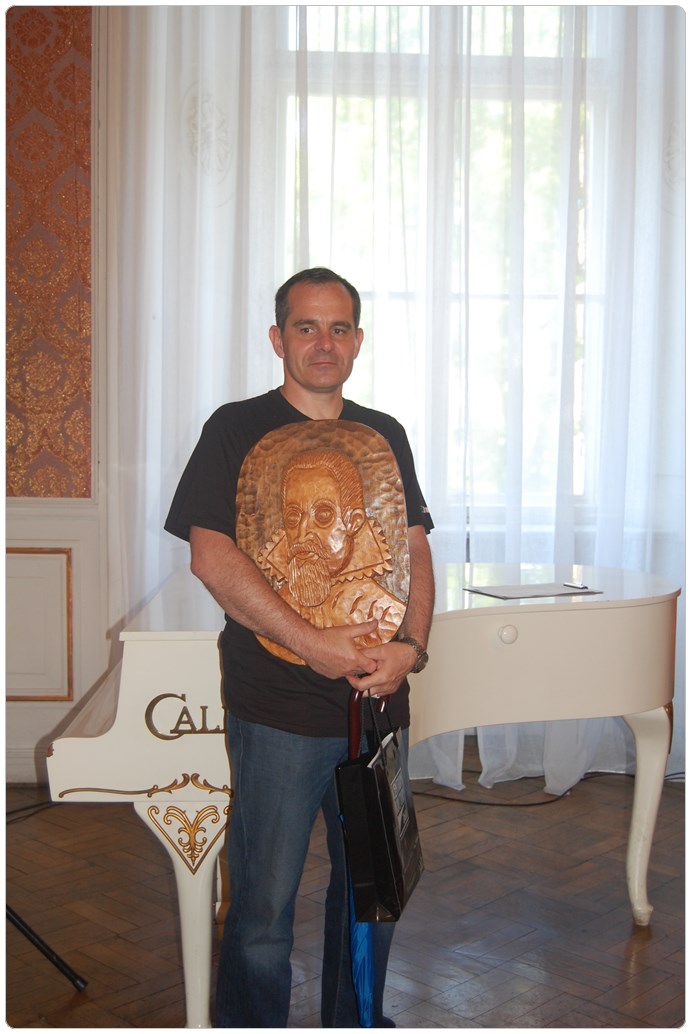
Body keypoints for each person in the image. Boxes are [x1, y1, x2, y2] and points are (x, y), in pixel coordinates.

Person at [165, 267, 435, 1027]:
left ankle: (355, 1021)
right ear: (277, 338)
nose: (323, 343)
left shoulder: (384, 434)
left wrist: (411, 646)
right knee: (261, 911)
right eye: (306, 327)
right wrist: (311, 643)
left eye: (338, 328)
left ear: (357, 340)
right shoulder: (234, 428)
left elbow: (414, 549)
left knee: (372, 898)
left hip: (377, 707)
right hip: (278, 712)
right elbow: (212, 557)